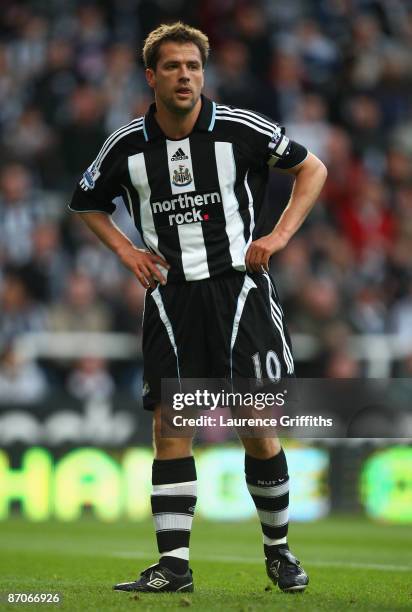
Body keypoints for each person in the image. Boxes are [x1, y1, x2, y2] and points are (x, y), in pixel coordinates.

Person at [68, 22, 327, 594]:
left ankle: (280, 553)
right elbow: (86, 201)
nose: (184, 76)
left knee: (256, 426)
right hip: (171, 298)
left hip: (240, 291)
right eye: (172, 67)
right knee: (171, 427)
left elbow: (313, 168)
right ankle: (174, 566)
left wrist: (279, 238)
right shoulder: (127, 145)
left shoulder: (238, 129)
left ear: (202, 75)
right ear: (151, 77)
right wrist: (125, 250)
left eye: (192, 67)